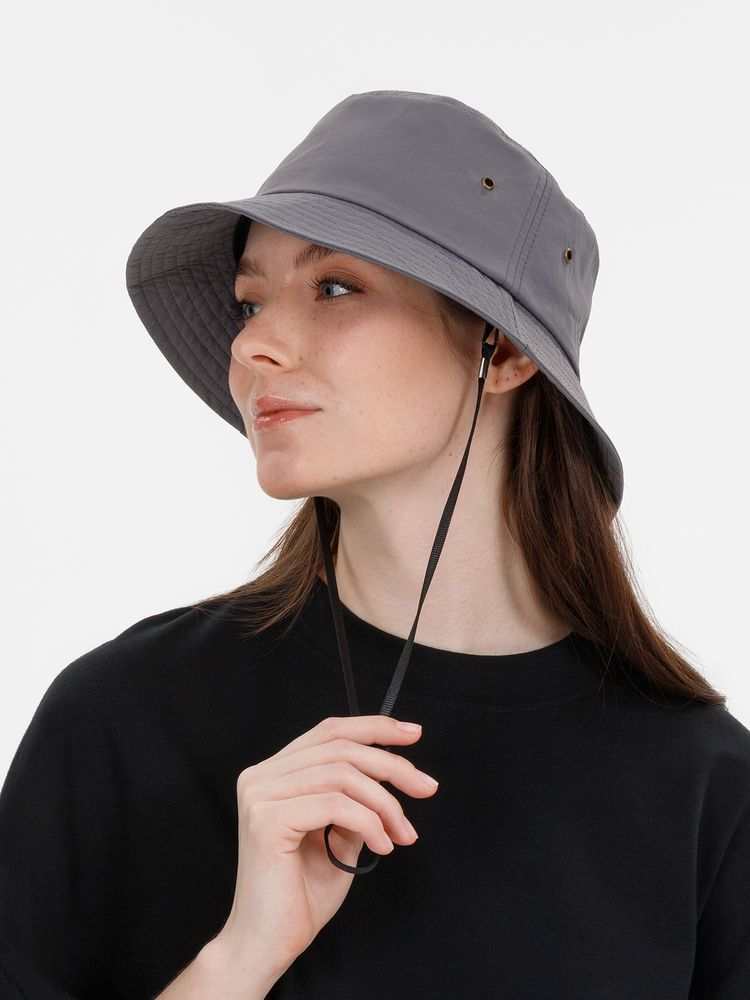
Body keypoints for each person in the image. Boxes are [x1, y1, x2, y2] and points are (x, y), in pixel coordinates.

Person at [1, 89, 748, 999]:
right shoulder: (123, 718)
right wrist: (237, 961)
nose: (255, 346)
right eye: (249, 302)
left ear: (504, 350)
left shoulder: (704, 788)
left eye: (335, 287)